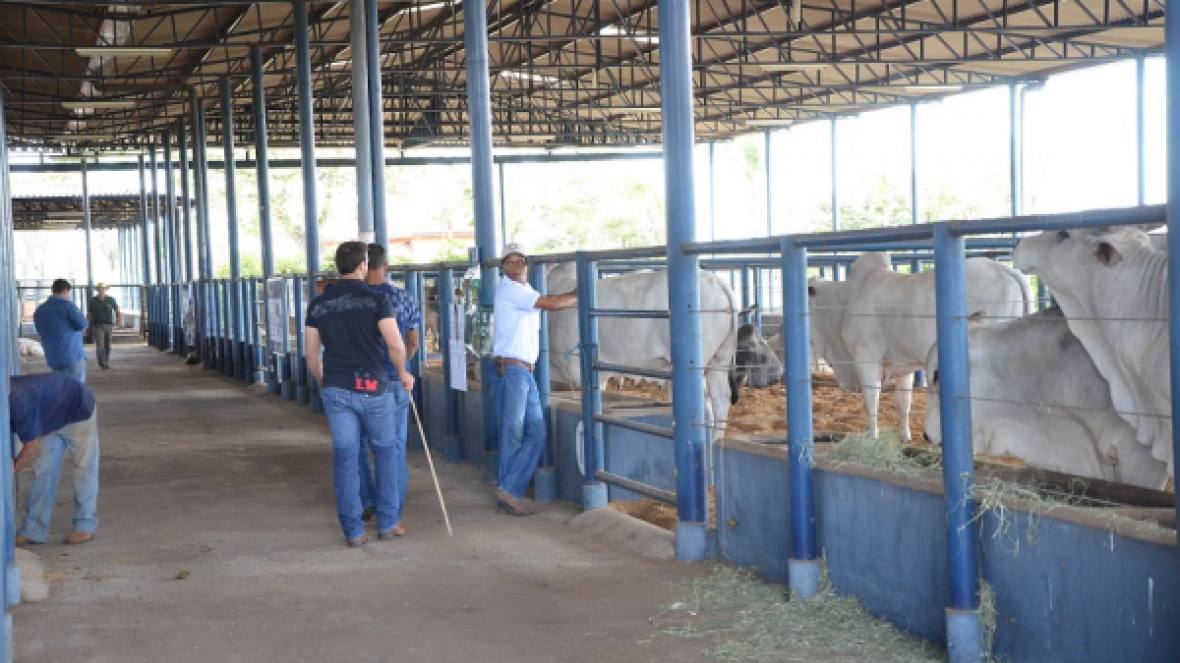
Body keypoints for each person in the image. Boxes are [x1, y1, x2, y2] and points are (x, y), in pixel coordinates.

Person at [305, 241, 415, 547]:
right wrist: (404, 373)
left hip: (337, 388)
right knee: (386, 451)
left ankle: (353, 531)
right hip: (373, 389)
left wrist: (323, 379)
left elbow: (311, 353)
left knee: (346, 456)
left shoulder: (319, 305)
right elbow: (395, 344)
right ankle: (389, 522)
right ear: (363, 265)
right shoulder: (377, 300)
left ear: (339, 265)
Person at [491, 244, 577, 516]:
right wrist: (580, 292)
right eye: (511, 262)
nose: (516, 265)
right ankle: (509, 491)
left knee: (532, 433)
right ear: (503, 267)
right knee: (517, 433)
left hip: (524, 370)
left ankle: (508, 489)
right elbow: (553, 304)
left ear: (527, 265)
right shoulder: (511, 290)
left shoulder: (524, 291)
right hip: (516, 370)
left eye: (520, 261)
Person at [356, 243, 421, 528]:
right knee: (392, 447)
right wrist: (401, 366)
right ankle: (390, 514)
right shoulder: (403, 297)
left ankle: (366, 499)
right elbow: (413, 340)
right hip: (394, 381)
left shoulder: (351, 299)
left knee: (355, 445)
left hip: (358, 380)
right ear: (386, 266)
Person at [11, 373, 100, 546]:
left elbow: (30, 449)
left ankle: (85, 526)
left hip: (78, 411)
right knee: (42, 471)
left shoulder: (18, 403)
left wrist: (9, 472)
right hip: (50, 418)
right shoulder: (12, 397)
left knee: (84, 468)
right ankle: (33, 530)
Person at [33, 279, 89, 382]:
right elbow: (82, 324)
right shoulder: (67, 306)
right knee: (75, 389)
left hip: (53, 356)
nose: (67, 295)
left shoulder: (40, 310)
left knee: (60, 390)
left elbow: (39, 329)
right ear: (64, 291)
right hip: (72, 354)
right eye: (67, 292)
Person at [87, 283, 120, 370]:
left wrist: (118, 320)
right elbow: (90, 314)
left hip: (109, 324)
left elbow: (116, 310)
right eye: (100, 289)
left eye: (103, 289)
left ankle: (106, 360)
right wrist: (88, 324)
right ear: (97, 290)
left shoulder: (111, 300)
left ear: (106, 290)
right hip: (98, 325)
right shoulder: (93, 301)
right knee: (100, 344)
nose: (101, 291)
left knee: (108, 344)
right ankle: (102, 362)